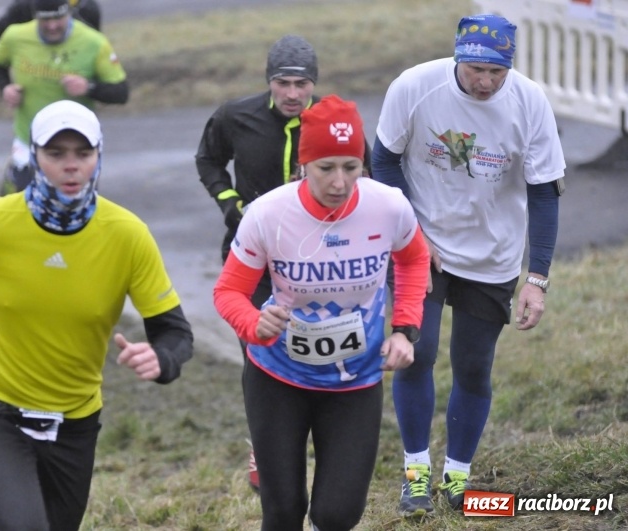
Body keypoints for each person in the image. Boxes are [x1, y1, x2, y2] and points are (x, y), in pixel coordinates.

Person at [0, 100, 193, 531]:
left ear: (100, 155)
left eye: (83, 153)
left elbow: (173, 331)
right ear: (35, 157)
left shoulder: (127, 235)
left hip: (74, 423)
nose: (71, 166)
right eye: (56, 154)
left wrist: (162, 360)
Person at [372, 14, 566, 516]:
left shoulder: (530, 101)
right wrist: (412, 229)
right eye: (476, 69)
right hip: (423, 246)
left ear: (510, 68)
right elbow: (384, 160)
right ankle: (416, 475)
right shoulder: (414, 86)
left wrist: (537, 279)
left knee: (474, 367)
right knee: (418, 350)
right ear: (458, 58)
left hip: (493, 254)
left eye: (496, 73)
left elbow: (545, 194)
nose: (485, 82)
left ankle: (457, 478)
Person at [213, 95, 430, 530]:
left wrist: (405, 328)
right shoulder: (268, 214)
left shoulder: (387, 206)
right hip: (277, 378)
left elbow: (412, 259)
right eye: (325, 168)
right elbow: (229, 291)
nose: (338, 182)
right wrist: (253, 323)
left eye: (350, 167)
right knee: (283, 511)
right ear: (302, 167)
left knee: (337, 514)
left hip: (355, 380)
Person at [195, 34, 370, 492]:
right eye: (283, 83)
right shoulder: (237, 116)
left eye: (302, 84)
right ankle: (265, 443)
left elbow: (361, 173)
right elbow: (207, 159)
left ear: (314, 83)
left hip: (317, 263)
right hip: (252, 258)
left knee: (318, 342)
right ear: (269, 82)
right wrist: (231, 204)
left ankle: (330, 440)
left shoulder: (331, 125)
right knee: (257, 350)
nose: (293, 94)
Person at [0, 0, 128, 195]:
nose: (52, 26)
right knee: (12, 210)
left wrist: (89, 87)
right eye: (45, 20)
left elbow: (121, 92)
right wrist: (5, 88)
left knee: (73, 215)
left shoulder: (94, 42)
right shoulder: (15, 36)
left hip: (75, 150)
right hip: (27, 142)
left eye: (58, 18)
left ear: (69, 13)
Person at [0, 0, 102, 42]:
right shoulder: (23, 7)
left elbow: (97, 46)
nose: (52, 26)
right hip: (34, 73)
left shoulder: (87, 7)